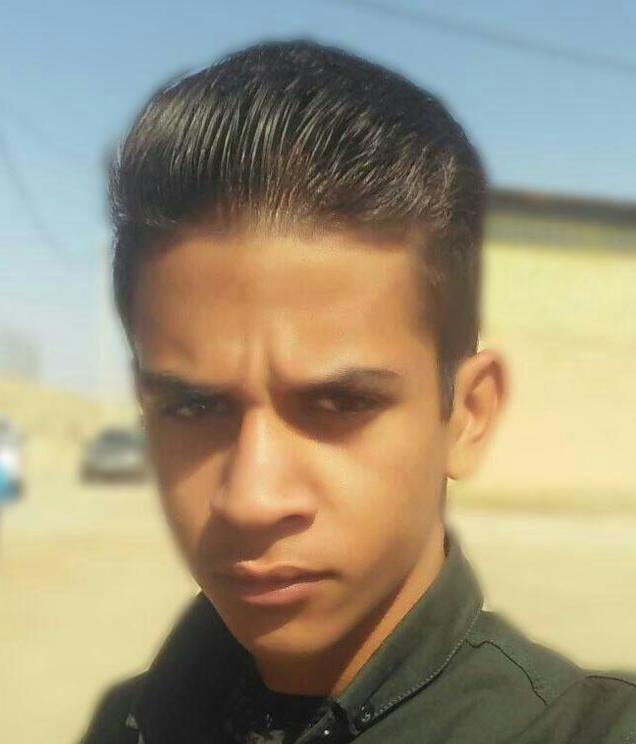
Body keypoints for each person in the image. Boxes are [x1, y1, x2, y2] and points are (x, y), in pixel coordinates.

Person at [80, 40, 636, 743]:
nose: (251, 499)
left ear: (467, 416)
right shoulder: (127, 723)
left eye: (341, 405)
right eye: (194, 407)